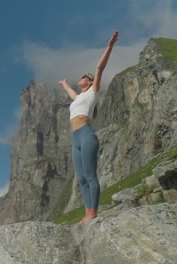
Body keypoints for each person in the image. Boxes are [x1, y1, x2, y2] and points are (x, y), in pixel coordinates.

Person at [58, 31, 119, 224]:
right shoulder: (78, 98)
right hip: (75, 138)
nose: (81, 78)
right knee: (81, 178)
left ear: (90, 81)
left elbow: (100, 67)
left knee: (91, 175)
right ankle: (87, 213)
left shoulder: (93, 92)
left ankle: (93, 212)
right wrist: (65, 84)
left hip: (86, 135)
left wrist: (110, 46)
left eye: (85, 76)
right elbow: (71, 94)